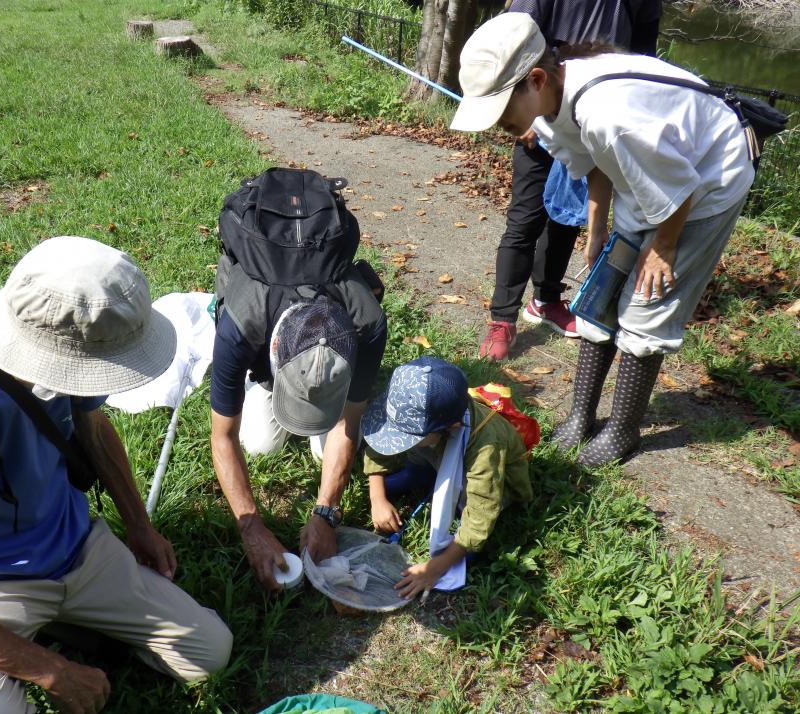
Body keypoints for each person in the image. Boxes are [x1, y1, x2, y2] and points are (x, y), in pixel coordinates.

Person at [0, 236, 232, 713]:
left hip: (79, 548)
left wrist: (139, 525)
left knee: (209, 653)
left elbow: (94, 428)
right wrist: (53, 671)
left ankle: (62, 622)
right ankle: (42, 637)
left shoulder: (72, 355)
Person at [451, 13, 754, 466]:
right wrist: (598, 233)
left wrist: (662, 247)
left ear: (535, 79)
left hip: (707, 178)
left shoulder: (609, 113)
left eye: (499, 109)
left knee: (647, 305)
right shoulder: (550, 108)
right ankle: (580, 417)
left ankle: (622, 431)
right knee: (602, 293)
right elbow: (596, 165)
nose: (496, 125)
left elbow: (679, 188)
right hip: (656, 177)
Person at [473, 0, 663, 361]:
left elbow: (643, 57)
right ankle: (502, 318)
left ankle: (546, 300)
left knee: (566, 217)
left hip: (594, 115)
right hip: (537, 106)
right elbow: (511, 38)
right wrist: (527, 113)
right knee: (524, 220)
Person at [210, 267, 388, 591]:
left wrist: (326, 511)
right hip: (265, 353)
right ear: (275, 347)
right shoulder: (238, 326)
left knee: (328, 453)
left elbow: (348, 421)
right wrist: (251, 527)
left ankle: (319, 395)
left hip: (329, 373)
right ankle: (263, 388)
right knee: (258, 443)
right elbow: (223, 435)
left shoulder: (368, 323)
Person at [361, 357, 532, 599]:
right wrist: (377, 498)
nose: (397, 441)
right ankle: (420, 475)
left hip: (495, 485)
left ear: (451, 427)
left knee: (465, 546)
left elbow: (480, 517)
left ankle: (433, 489)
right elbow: (380, 447)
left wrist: (435, 568)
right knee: (410, 470)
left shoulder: (485, 447)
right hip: (435, 453)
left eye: (408, 437)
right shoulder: (428, 421)